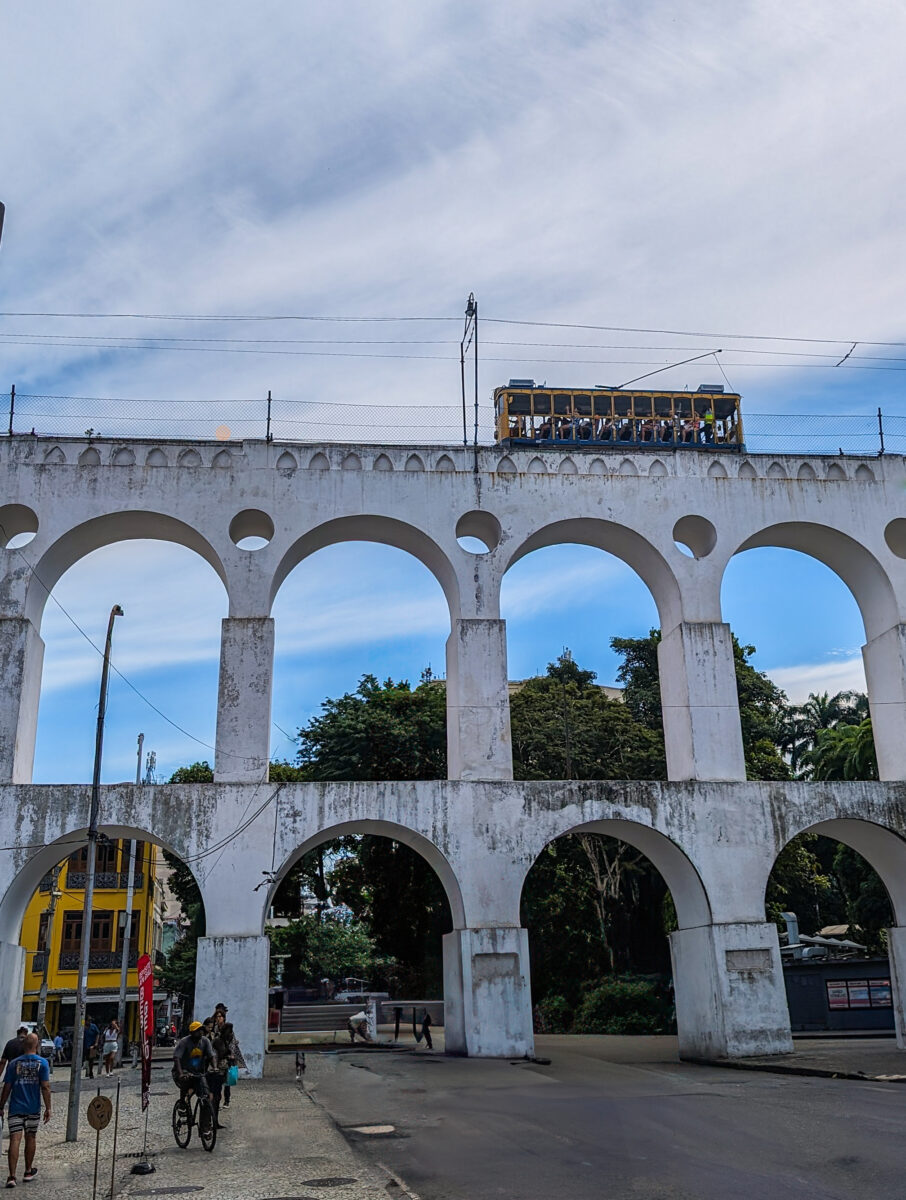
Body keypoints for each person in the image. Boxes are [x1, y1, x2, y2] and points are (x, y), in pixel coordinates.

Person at [0, 1032, 51, 1187]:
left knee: (15, 1139)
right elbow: (45, 1086)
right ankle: (28, 1171)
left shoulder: (14, 1064)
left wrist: (1, 1106)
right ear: (37, 1045)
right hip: (33, 1108)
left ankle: (11, 1176)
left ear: (23, 1045)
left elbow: (7, 1087)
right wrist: (48, 1108)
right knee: (31, 1137)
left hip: (16, 1107)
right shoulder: (42, 1063)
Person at [172, 1021, 217, 1102]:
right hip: (184, 1071)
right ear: (191, 1032)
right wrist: (181, 1073)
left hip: (198, 1072)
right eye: (198, 1030)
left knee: (205, 1092)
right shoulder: (184, 1042)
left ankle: (206, 1109)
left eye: (201, 1030)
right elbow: (177, 1058)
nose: (200, 1032)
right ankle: (182, 1103)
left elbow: (211, 1056)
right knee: (186, 1083)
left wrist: (215, 1067)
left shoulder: (205, 1041)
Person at [218, 1022, 245, 1109]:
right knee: (219, 1083)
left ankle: (226, 1101)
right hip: (221, 1061)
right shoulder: (220, 1038)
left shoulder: (231, 1036)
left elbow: (233, 1046)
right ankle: (219, 1100)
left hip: (228, 1061)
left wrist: (231, 1055)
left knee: (227, 1082)